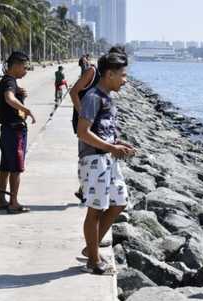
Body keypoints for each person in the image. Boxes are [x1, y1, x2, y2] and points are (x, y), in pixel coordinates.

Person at [77, 52, 135, 274]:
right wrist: (112, 148)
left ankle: (91, 248)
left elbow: (104, 131)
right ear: (109, 74)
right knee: (95, 210)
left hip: (108, 159)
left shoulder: (108, 97)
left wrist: (119, 144)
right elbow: (83, 132)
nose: (125, 80)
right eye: (122, 75)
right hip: (94, 160)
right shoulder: (93, 97)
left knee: (119, 202)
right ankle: (93, 261)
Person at [70, 46, 127, 202]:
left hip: (96, 124)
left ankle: (86, 189)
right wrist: (84, 112)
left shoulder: (106, 93)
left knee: (118, 201)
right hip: (87, 119)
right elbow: (74, 91)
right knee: (88, 151)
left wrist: (116, 142)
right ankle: (85, 189)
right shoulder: (93, 72)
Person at [0, 52, 36, 214]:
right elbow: (9, 98)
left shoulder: (7, 81)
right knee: (16, 168)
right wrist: (26, 109)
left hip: (6, 130)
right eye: (25, 67)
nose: (26, 70)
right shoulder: (9, 82)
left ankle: (0, 200)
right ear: (16, 66)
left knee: (5, 166)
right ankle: (13, 202)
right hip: (14, 130)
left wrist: (19, 92)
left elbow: (11, 94)